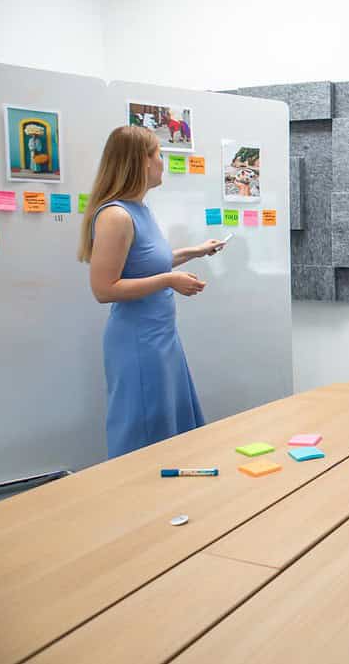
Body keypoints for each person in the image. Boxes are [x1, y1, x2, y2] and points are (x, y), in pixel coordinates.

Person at [77, 126, 225, 458]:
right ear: (141, 162)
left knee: (169, 431)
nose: (163, 162)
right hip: (137, 343)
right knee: (143, 437)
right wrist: (169, 281)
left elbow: (147, 263)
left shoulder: (140, 209)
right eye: (158, 154)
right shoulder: (115, 216)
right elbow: (104, 289)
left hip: (161, 338)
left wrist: (194, 251)